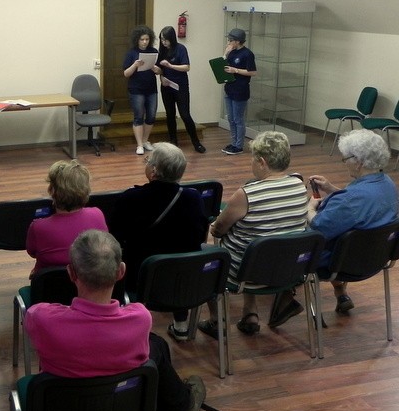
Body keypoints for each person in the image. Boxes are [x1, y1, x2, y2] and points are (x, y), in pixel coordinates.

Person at [22, 229, 206, 411]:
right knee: (156, 344)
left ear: (71, 273)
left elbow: (36, 313)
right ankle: (180, 404)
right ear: (121, 271)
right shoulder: (140, 318)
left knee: (156, 344)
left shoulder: (42, 319)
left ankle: (180, 403)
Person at [271, 129, 399, 327]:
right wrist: (332, 189)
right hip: (376, 257)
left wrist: (309, 208)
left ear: (359, 162)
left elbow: (318, 226)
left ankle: (286, 296)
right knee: (341, 236)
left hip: (342, 262)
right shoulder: (387, 184)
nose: (344, 162)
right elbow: (361, 208)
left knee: (292, 242)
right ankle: (340, 292)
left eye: (345, 158)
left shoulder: (351, 199)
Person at [197, 132, 308, 337]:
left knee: (207, 256)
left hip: (245, 273)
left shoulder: (247, 194)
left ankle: (216, 321)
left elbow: (218, 229)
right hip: (287, 269)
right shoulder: (299, 186)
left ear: (262, 162)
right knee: (255, 244)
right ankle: (250, 313)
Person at [109, 143, 208, 341]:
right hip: (184, 279)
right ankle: (181, 324)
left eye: (148, 161)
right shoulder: (194, 198)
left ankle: (132, 332)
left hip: (140, 278)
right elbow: (199, 235)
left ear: (153, 171)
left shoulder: (131, 198)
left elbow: (114, 237)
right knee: (180, 256)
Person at [26, 160, 107, 277]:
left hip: (50, 286)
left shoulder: (38, 227)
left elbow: (32, 252)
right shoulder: (97, 214)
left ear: (52, 190)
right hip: (91, 283)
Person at [156, 26, 205, 153]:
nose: (163, 42)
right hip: (166, 87)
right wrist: (161, 78)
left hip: (180, 86)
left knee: (185, 115)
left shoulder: (180, 48)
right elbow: (160, 69)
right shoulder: (162, 51)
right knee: (170, 114)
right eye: (162, 39)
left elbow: (186, 67)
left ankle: (196, 142)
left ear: (172, 38)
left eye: (166, 39)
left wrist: (170, 65)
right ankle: (173, 142)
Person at [123, 25, 160, 156]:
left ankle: (145, 141)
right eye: (142, 39)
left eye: (147, 39)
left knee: (151, 116)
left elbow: (159, 71)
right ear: (137, 40)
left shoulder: (154, 51)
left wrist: (156, 69)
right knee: (138, 117)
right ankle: (139, 145)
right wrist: (135, 65)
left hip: (151, 89)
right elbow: (126, 73)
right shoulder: (131, 53)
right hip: (136, 90)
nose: (145, 42)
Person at [221, 28, 257, 155]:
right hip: (229, 88)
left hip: (240, 90)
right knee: (231, 119)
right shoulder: (231, 52)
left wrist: (235, 70)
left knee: (238, 119)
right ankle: (234, 142)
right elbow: (222, 66)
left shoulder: (247, 54)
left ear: (237, 41)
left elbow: (252, 72)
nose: (229, 42)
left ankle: (239, 145)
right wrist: (225, 53)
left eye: (230, 40)